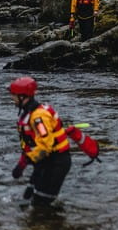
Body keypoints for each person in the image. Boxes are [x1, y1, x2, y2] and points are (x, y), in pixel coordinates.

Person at [9, 76, 71, 206]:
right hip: (45, 161)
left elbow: (45, 145)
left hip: (56, 162)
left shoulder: (38, 117)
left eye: (14, 95)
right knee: (29, 198)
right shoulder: (28, 113)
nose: (12, 98)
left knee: (41, 203)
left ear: (22, 97)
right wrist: (23, 161)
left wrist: (24, 163)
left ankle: (50, 224)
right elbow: (30, 143)